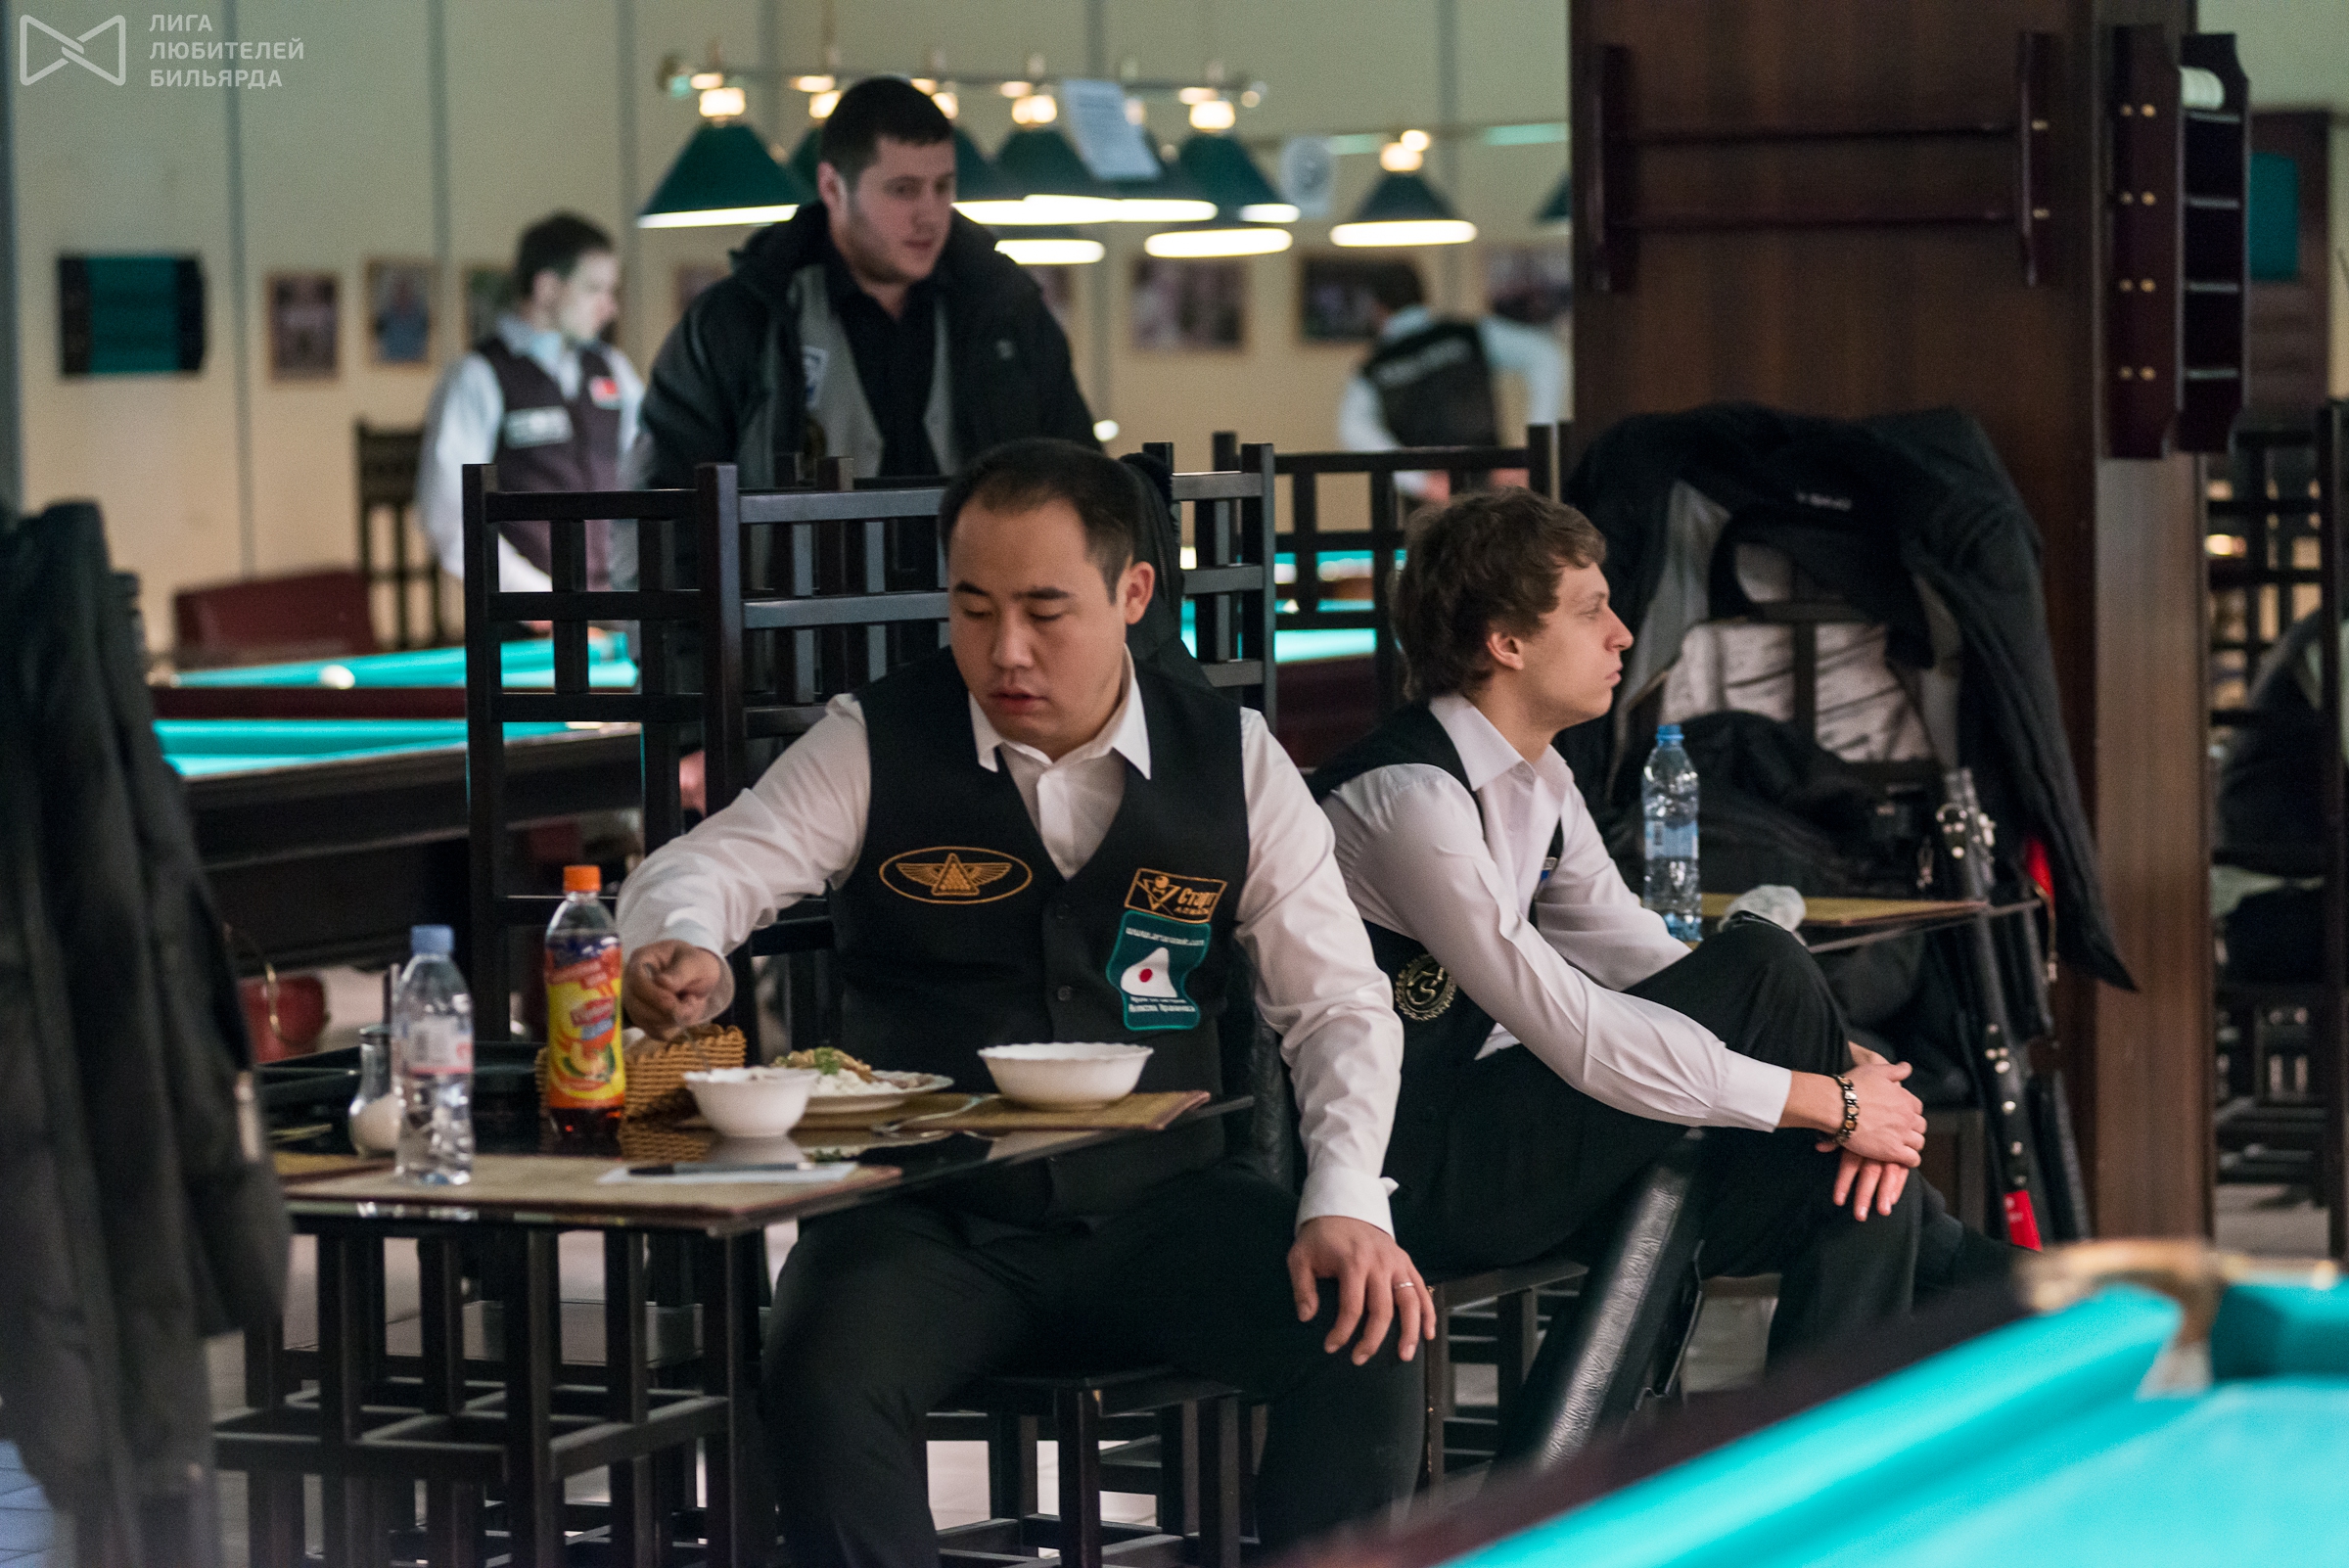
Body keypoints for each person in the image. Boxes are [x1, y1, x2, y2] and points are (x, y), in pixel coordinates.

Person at [616, 439, 1426, 1565]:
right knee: (819, 1377)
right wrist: (683, 941)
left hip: (1166, 1206)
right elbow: (706, 865)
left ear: (1132, 593)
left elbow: (1336, 1002)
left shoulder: (1232, 758)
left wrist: (1344, 1196)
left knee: (1366, 1333)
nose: (1004, 650)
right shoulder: (876, 738)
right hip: (925, 1219)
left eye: (1046, 611)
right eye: (973, 607)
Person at [1313, 487, 2008, 1365]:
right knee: (1766, 966)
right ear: (1506, 642)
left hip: (1517, 1146)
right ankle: (2069, 1305)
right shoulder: (1409, 800)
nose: (1622, 636)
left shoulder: (1542, 781)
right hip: (1409, 1174)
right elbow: (1576, 1028)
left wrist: (1841, 1070)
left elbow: (1641, 957)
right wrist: (1826, 1098)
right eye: (1591, 611)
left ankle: (1875, 1396)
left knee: (1849, 1193)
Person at [638, 75, 1095, 490]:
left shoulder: (1007, 310)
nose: (929, 215)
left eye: (942, 187)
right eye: (903, 190)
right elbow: (660, 507)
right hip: (795, 563)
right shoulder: (741, 321)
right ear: (832, 188)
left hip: (973, 562)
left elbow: (1084, 483)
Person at [418, 211, 639, 592]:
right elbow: (449, 516)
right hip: (525, 614)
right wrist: (535, 597)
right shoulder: (477, 376)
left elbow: (649, 478)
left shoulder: (614, 369)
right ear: (547, 288)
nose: (610, 307)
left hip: (617, 604)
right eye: (594, 289)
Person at [1336, 262, 1567, 500]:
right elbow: (1546, 356)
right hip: (1489, 487)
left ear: (1377, 307)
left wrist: (1420, 482)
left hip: (1434, 501)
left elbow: (1353, 428)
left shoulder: (1373, 367)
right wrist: (1532, 451)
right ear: (1422, 295)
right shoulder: (1467, 334)